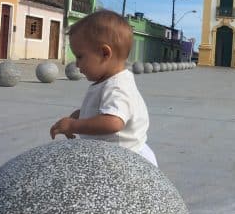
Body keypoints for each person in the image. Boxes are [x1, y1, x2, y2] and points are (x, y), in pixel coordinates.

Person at [50, 10, 158, 167]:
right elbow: (101, 110)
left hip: (127, 159)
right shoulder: (109, 81)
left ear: (104, 53)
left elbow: (113, 122)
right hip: (113, 153)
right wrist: (79, 116)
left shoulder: (117, 86)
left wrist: (74, 125)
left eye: (80, 56)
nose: (77, 64)